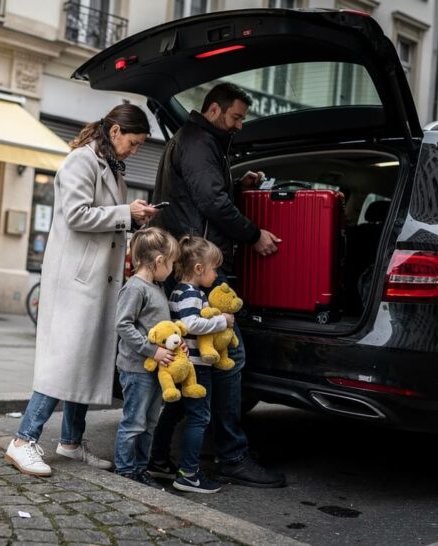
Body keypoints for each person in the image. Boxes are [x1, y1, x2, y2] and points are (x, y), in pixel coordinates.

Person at [5, 104, 160, 477]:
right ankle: (23, 440)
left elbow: (104, 219)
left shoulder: (111, 166)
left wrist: (132, 217)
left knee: (85, 360)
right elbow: (76, 215)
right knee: (65, 361)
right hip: (76, 281)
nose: (135, 150)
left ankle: (71, 441)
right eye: (134, 143)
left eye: (140, 145)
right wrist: (126, 213)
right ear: (115, 131)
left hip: (95, 281)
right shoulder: (81, 161)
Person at [149, 82, 286, 487]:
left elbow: (201, 194)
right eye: (236, 117)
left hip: (194, 260)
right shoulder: (198, 142)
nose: (240, 125)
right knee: (230, 356)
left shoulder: (201, 141)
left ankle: (170, 452)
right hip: (200, 266)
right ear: (214, 110)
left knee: (198, 360)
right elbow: (210, 202)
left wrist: (237, 184)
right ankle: (231, 455)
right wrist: (253, 234)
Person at [150, 236, 232, 494]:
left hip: (184, 365)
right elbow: (191, 323)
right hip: (194, 367)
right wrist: (223, 322)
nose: (216, 275)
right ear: (199, 268)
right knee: (199, 417)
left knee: (173, 412)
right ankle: (189, 474)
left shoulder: (179, 291)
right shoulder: (190, 294)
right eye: (214, 269)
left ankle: (158, 461)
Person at [113, 227, 179, 488]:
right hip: (136, 369)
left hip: (154, 370)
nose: (172, 270)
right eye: (171, 264)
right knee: (134, 422)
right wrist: (153, 350)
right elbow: (123, 324)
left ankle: (141, 468)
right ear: (159, 261)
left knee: (149, 422)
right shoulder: (135, 288)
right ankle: (126, 470)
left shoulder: (156, 287)